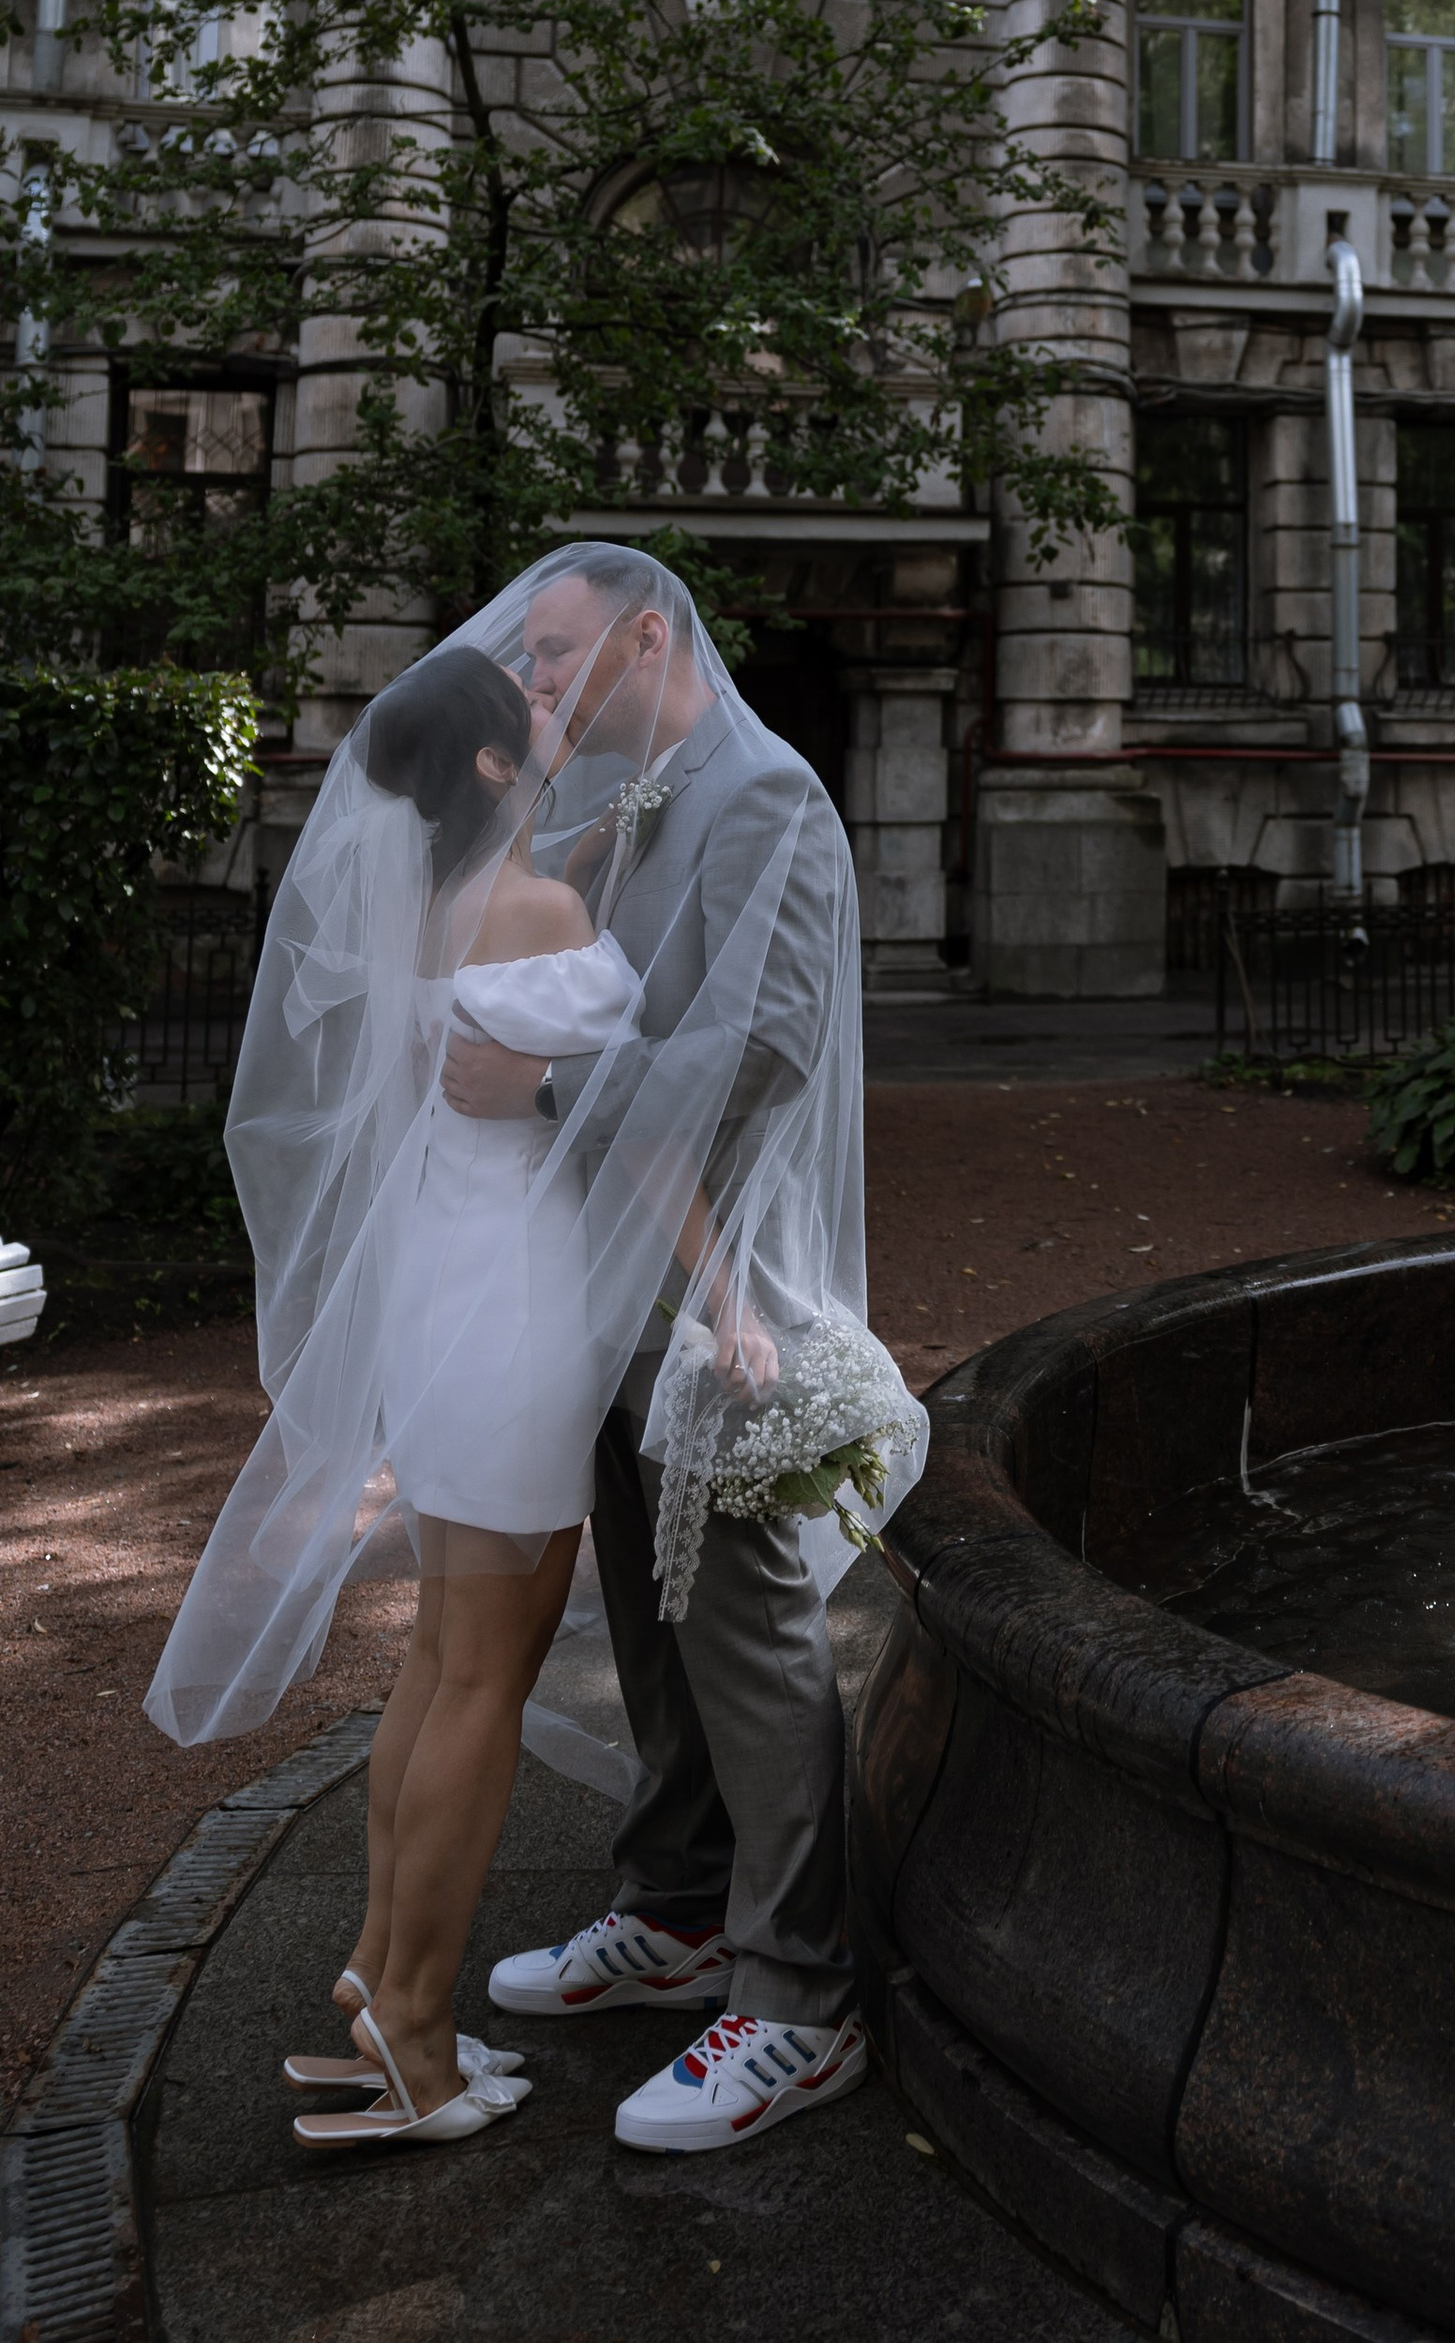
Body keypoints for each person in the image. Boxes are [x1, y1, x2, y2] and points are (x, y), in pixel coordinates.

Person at [148, 544, 924, 2163]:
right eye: (533, 674)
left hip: (671, 1283)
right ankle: (672, 1909)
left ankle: (791, 1993)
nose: (545, 685)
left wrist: (566, 1103)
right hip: (561, 1280)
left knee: (736, 1627)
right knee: (628, 1624)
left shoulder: (763, 794)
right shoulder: (593, 818)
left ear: (652, 636)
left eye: (563, 656)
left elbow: (762, 1042)